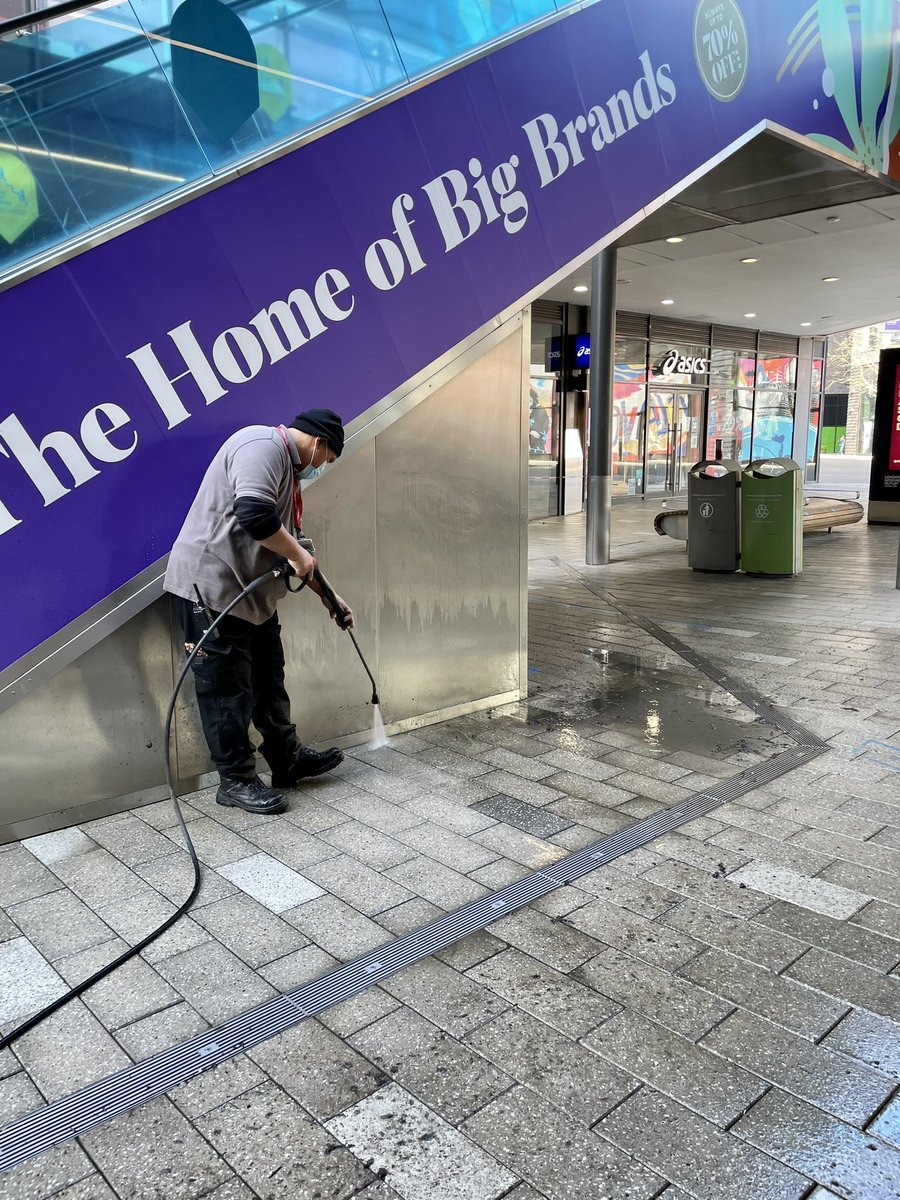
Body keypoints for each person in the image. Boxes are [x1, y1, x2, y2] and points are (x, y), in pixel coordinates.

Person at [164, 409, 354, 815]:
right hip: (212, 590)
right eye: (327, 460)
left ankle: (286, 759)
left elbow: (294, 548)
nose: (321, 467)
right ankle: (235, 781)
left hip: (251, 595)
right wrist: (297, 554)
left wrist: (329, 598)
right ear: (319, 443)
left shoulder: (287, 471)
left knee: (269, 679)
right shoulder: (262, 445)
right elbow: (253, 514)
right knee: (225, 690)